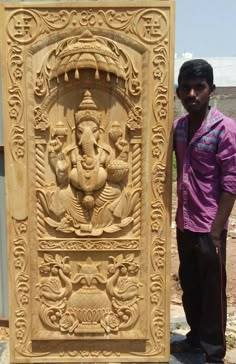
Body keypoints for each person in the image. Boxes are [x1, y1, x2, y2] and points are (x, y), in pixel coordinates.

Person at [172, 59, 236, 364]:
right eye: (186, 88)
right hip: (184, 223)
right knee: (190, 285)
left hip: (209, 225)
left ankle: (214, 353)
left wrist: (216, 229)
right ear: (178, 92)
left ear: (211, 90)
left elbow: (232, 182)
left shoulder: (224, 129)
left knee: (212, 291)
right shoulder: (179, 127)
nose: (192, 94)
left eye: (199, 87)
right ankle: (195, 338)